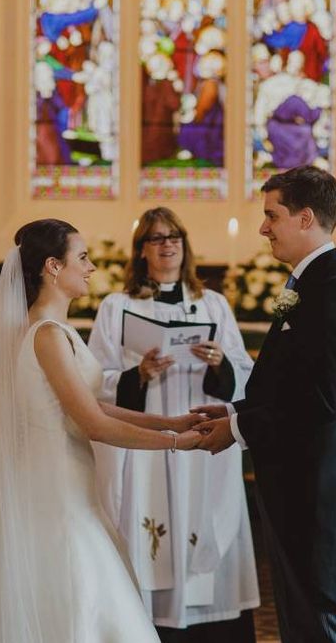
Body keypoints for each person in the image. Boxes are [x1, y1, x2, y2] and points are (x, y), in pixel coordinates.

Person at [0, 219, 203, 643]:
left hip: (69, 488)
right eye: (82, 257)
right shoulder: (47, 336)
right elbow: (93, 424)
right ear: (53, 267)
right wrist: (175, 443)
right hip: (55, 499)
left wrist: (171, 421)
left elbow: (91, 405)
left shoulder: (54, 331)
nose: (91, 267)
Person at [194, 167, 336, 643]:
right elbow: (293, 386)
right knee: (303, 624)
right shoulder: (312, 284)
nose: (263, 227)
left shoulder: (331, 292)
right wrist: (235, 412)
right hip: (302, 487)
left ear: (305, 218)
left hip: (318, 491)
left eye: (272, 215)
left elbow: (320, 402)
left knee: (320, 624)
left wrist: (239, 430)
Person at [88, 207, 260, 642]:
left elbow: (246, 373)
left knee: (207, 526)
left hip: (204, 438)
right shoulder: (118, 307)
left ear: (185, 246)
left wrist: (221, 365)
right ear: (141, 251)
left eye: (174, 237)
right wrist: (138, 374)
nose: (167, 245)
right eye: (157, 238)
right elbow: (94, 382)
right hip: (147, 445)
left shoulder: (213, 304)